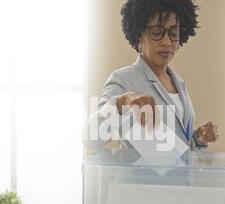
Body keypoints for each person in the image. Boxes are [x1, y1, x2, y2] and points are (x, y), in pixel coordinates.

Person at [84, 0, 218, 151]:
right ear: (139, 34)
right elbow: (91, 137)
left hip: (180, 175)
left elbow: (174, 149)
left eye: (174, 33)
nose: (167, 42)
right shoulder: (123, 80)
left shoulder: (178, 82)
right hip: (139, 175)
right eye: (157, 32)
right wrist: (122, 103)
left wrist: (198, 138)